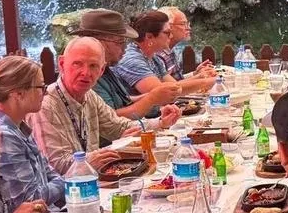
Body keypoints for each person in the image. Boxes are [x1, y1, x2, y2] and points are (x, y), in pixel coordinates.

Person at [33, 37, 180, 174]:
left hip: (93, 181)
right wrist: (96, 157)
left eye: (93, 66)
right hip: (68, 195)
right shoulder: (45, 105)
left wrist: (160, 122)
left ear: (102, 70)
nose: (86, 73)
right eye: (77, 64)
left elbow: (119, 127)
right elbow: (55, 167)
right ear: (62, 64)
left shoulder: (90, 96)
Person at [0, 56, 65, 209]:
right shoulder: (4, 136)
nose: (45, 92)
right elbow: (30, 200)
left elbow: (48, 172)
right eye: (41, 87)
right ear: (18, 94)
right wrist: (68, 180)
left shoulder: (19, 126)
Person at [70, 9, 181, 119]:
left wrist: (155, 98)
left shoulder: (106, 68)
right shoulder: (86, 76)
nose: (125, 48)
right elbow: (109, 119)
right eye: (120, 42)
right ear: (99, 42)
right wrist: (151, 99)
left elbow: (125, 100)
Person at [115, 11, 215, 97]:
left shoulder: (151, 57)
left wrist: (202, 77)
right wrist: (209, 82)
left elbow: (174, 85)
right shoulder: (133, 60)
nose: (171, 36)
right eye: (167, 32)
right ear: (149, 37)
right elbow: (163, 92)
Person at [156, 6, 216, 80]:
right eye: (183, 24)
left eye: (188, 24)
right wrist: (199, 77)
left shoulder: (170, 51)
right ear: (168, 27)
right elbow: (170, 88)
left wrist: (195, 74)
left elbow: (177, 80)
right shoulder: (158, 56)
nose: (188, 28)